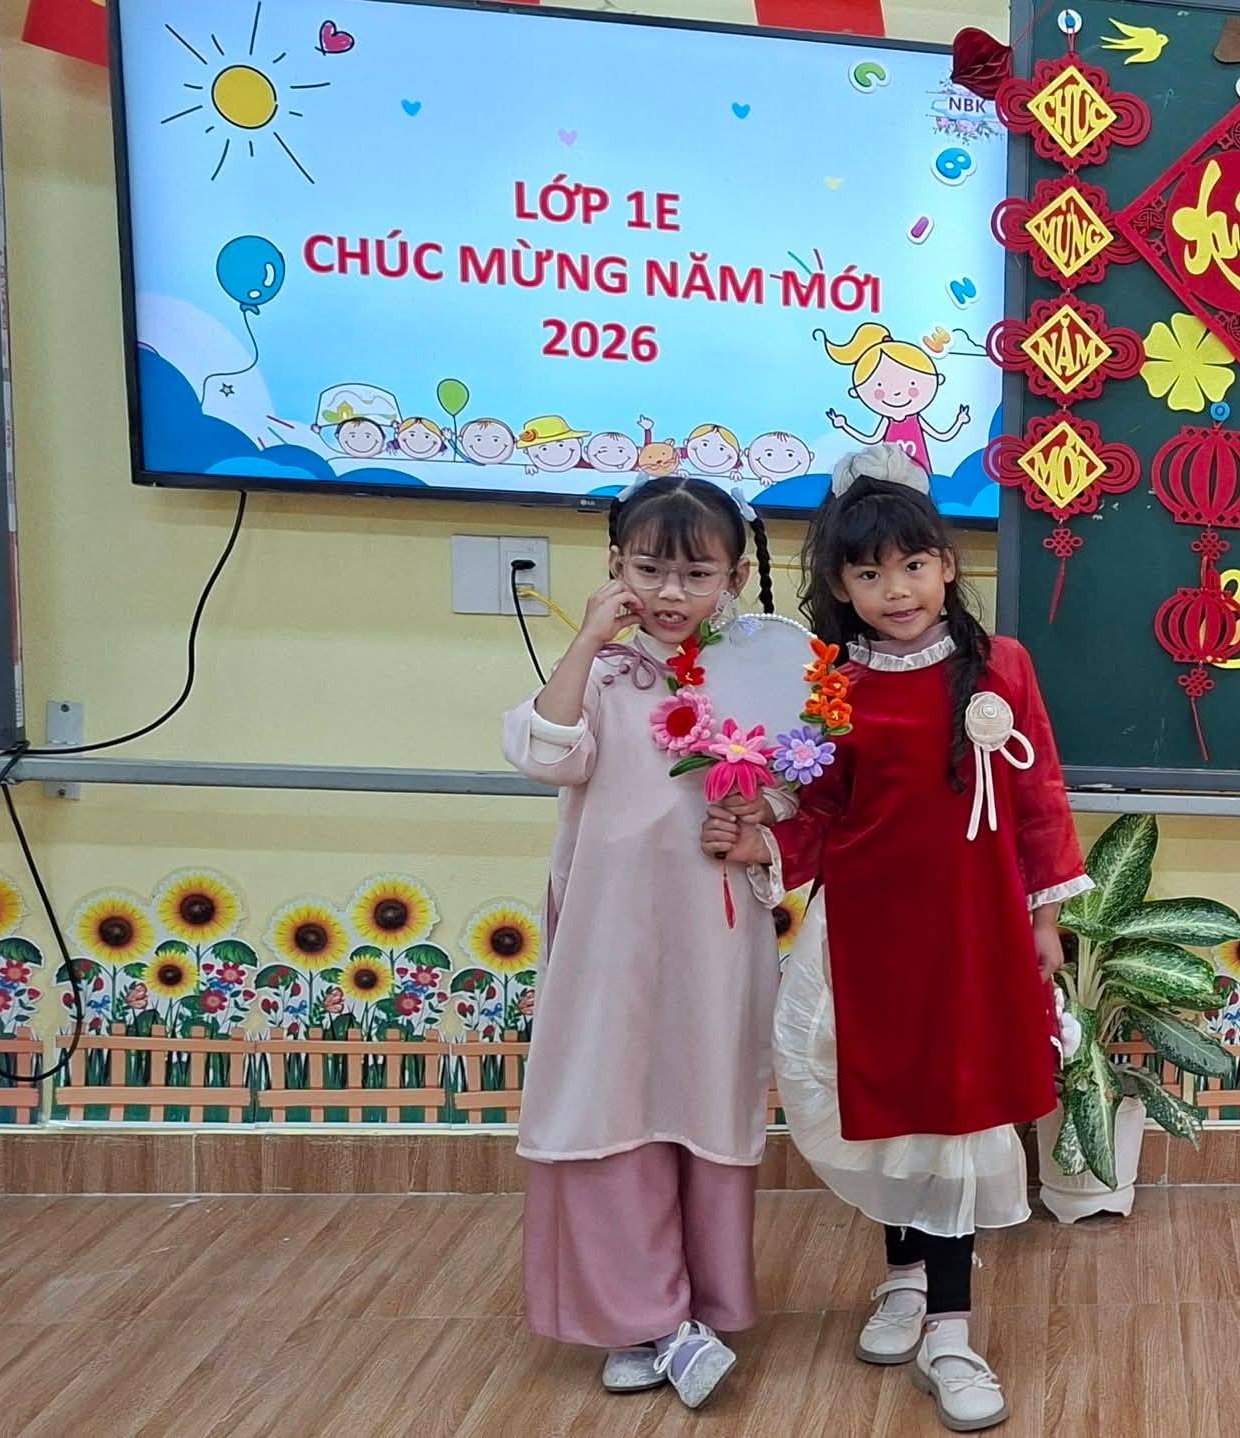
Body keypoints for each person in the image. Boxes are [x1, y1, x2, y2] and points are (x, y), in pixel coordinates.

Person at [705, 445, 1087, 1433]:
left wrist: (1045, 918)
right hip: (864, 930)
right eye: (869, 573)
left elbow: (1039, 796)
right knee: (879, 1093)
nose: (896, 589)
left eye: (913, 565)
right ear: (840, 586)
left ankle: (951, 1335)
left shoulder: (1000, 667)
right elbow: (823, 810)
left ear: (946, 564)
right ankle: (905, 1278)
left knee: (954, 1111)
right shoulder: (831, 683)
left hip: (971, 933)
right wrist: (760, 837)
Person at [502, 473, 786, 1411]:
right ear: (616, 567)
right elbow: (545, 752)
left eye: (696, 574)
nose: (671, 592)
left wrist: (758, 823)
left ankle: (693, 1311)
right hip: (609, 935)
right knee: (612, 1096)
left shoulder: (761, 673)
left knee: (701, 1093)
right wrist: (588, 639)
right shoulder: (605, 678)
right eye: (649, 569)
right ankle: (640, 1320)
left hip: (715, 931)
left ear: (732, 577)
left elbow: (799, 791)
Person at [819, 324, 971, 474]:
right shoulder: (888, 422)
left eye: (912, 383)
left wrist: (959, 421)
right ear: (857, 392)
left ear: (937, 379)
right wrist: (844, 425)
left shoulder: (915, 419)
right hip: (888, 480)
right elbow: (871, 440)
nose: (897, 393)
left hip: (921, 477)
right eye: (879, 386)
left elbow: (942, 435)